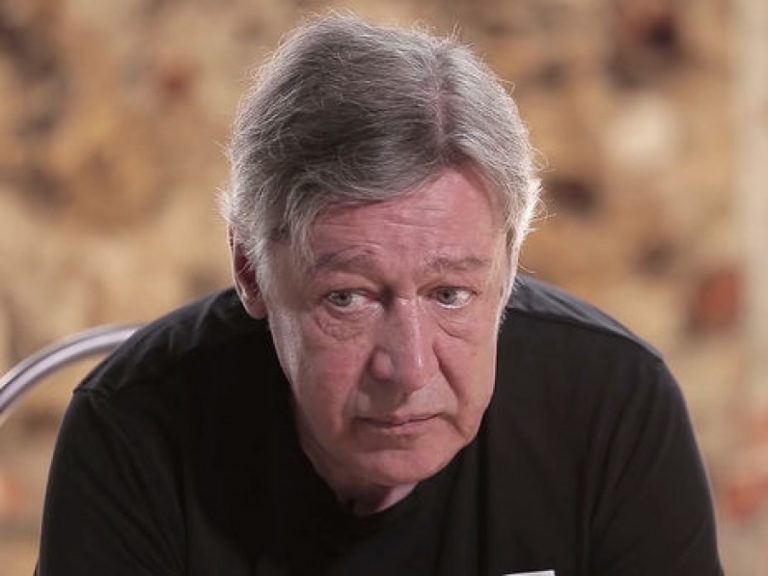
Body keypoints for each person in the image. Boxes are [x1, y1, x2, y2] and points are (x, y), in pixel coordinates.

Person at [36, 14, 723, 576]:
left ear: (509, 265)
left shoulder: (611, 403)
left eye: (450, 294)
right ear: (249, 268)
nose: (409, 370)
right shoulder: (135, 428)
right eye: (349, 298)